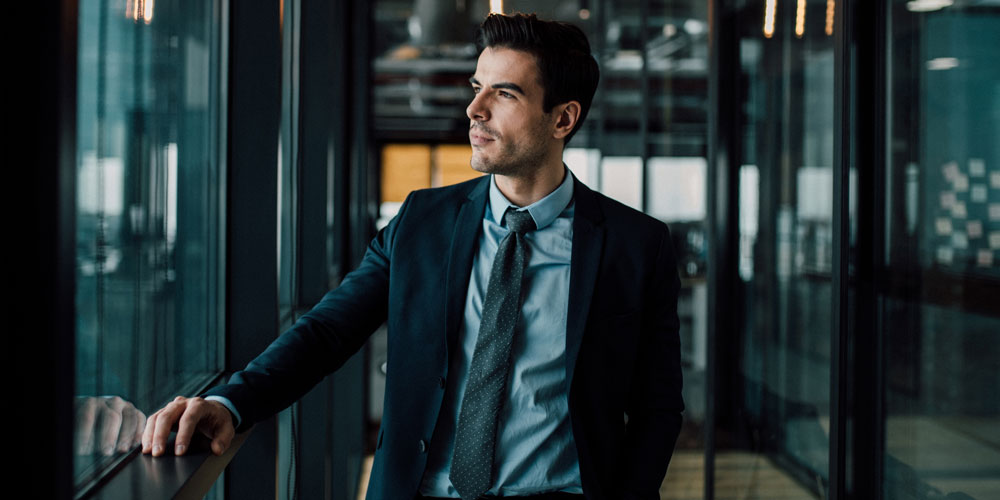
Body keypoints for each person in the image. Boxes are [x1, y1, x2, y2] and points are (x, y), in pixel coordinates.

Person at [142, 12, 684, 500]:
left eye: (505, 94)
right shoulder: (422, 221)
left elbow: (658, 407)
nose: (474, 109)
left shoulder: (637, 245)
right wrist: (232, 403)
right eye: (477, 88)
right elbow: (328, 330)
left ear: (562, 119)